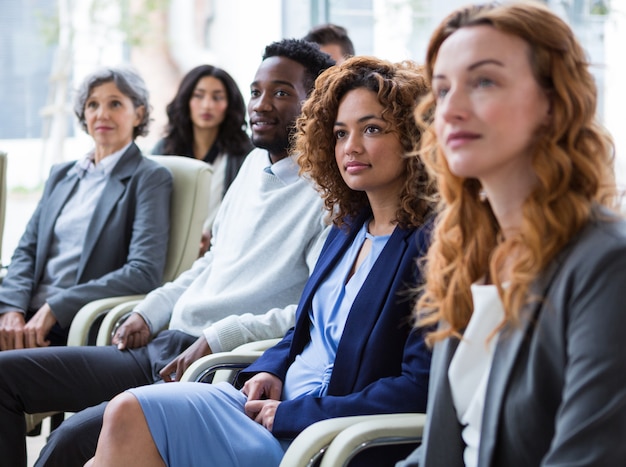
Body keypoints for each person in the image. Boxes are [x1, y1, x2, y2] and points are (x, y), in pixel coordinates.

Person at [86, 56, 435, 467]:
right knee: (124, 415)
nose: (351, 147)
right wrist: (269, 369)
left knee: (124, 422)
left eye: (372, 129)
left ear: (414, 137)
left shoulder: (431, 246)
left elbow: (418, 387)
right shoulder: (347, 227)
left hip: (322, 436)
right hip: (269, 409)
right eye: (340, 133)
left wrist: (292, 414)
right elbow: (303, 329)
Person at [0, 38, 334, 467]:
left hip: (208, 365)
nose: (261, 104)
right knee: (6, 376)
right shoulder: (253, 167)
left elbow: (311, 312)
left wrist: (221, 334)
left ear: (316, 104)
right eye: (255, 91)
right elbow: (212, 262)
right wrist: (151, 310)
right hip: (160, 344)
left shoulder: (328, 195)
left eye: (282, 92)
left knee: (69, 440)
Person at [398, 2, 626, 467]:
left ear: (552, 102)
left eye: (484, 81)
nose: (452, 109)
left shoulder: (606, 265)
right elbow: (446, 447)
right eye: (442, 91)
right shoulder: (464, 251)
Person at [0, 66, 172, 350]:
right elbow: (27, 251)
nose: (101, 114)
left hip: (74, 322)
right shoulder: (62, 174)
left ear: (139, 114)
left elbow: (143, 271)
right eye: (92, 104)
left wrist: (56, 307)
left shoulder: (150, 178)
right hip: (25, 315)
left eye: (114, 104)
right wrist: (10, 310)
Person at [152, 65, 254, 255]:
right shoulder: (163, 151)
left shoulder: (247, 155)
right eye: (198, 96)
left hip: (223, 254)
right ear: (186, 100)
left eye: (217, 97)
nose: (207, 105)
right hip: (170, 252)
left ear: (229, 104)